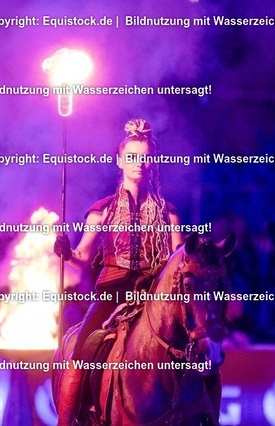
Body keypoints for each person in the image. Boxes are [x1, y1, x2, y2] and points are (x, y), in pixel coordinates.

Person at [53, 118, 183, 426]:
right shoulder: (102, 210)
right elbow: (82, 258)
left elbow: (178, 260)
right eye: (133, 156)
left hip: (154, 296)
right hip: (112, 293)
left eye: (146, 157)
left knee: (196, 350)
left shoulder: (169, 214)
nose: (140, 163)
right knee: (80, 355)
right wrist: (66, 252)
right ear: (120, 161)